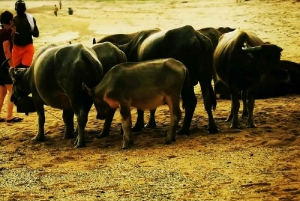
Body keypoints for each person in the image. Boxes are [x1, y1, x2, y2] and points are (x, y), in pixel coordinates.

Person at [0, 11, 23, 122]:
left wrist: (12, 34)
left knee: (2, 91)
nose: (13, 21)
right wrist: (12, 66)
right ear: (10, 21)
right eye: (12, 19)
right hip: (5, 66)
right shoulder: (5, 34)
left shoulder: (3, 32)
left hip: (0, 65)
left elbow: (9, 45)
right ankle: (9, 115)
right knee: (12, 90)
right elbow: (6, 50)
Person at [12, 0, 39, 69]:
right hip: (16, 49)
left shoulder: (30, 19)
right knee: (16, 70)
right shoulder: (12, 21)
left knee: (25, 69)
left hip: (28, 48)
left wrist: (29, 32)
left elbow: (36, 34)